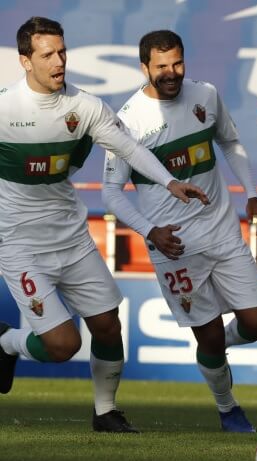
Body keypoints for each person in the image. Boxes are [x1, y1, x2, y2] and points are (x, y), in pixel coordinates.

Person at [0, 17, 209, 433]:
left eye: (62, 52)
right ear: (25, 61)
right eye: (47, 55)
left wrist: (169, 182)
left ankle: (105, 412)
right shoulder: (5, 109)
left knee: (108, 323)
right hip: (19, 244)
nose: (59, 62)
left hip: (72, 237)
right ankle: (5, 343)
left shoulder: (85, 106)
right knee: (63, 345)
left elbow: (129, 147)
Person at [102, 30, 257, 433]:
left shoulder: (206, 95)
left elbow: (231, 143)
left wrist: (252, 194)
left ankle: (215, 347)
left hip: (222, 231)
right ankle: (228, 409)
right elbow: (110, 192)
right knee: (209, 336)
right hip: (175, 246)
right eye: (161, 66)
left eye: (177, 63)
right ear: (144, 67)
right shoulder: (126, 122)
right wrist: (150, 231)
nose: (171, 73)